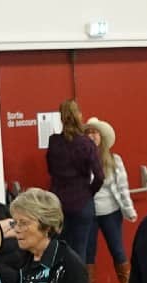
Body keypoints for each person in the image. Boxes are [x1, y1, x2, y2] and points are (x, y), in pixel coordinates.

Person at [83, 117, 139, 283]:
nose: (92, 136)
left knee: (117, 248)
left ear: (102, 137)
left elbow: (123, 188)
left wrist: (129, 210)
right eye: (88, 132)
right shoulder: (81, 159)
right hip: (88, 212)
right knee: (87, 252)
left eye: (95, 132)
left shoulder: (114, 159)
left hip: (111, 211)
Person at [44, 99, 102, 264]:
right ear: (79, 116)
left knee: (59, 250)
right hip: (82, 201)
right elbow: (99, 176)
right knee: (80, 251)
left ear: (61, 118)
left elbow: (50, 169)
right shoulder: (87, 143)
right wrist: (89, 191)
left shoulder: (54, 141)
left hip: (58, 202)